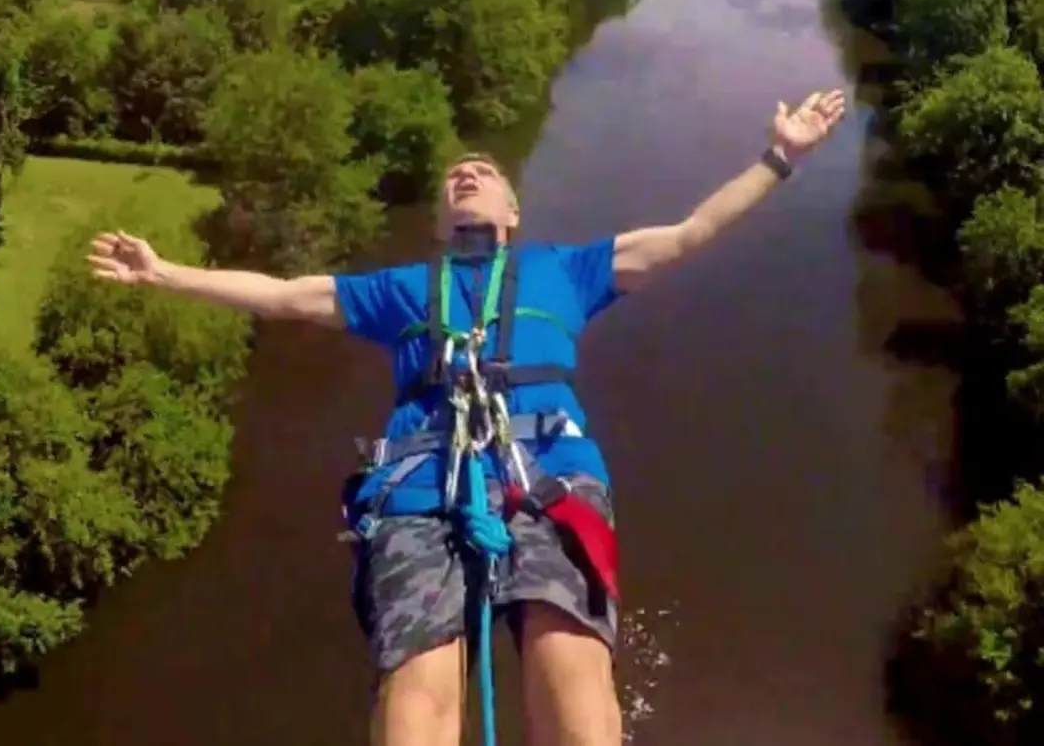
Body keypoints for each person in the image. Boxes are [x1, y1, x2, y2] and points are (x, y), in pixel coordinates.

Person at [87, 89, 847, 746]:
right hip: (421, 491)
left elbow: (686, 236)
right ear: (439, 220)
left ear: (512, 213)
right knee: (416, 695)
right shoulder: (397, 291)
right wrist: (164, 274)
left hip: (548, 479)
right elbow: (286, 296)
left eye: (485, 173)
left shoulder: (567, 271)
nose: (467, 174)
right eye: (456, 176)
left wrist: (778, 158)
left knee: (575, 682)